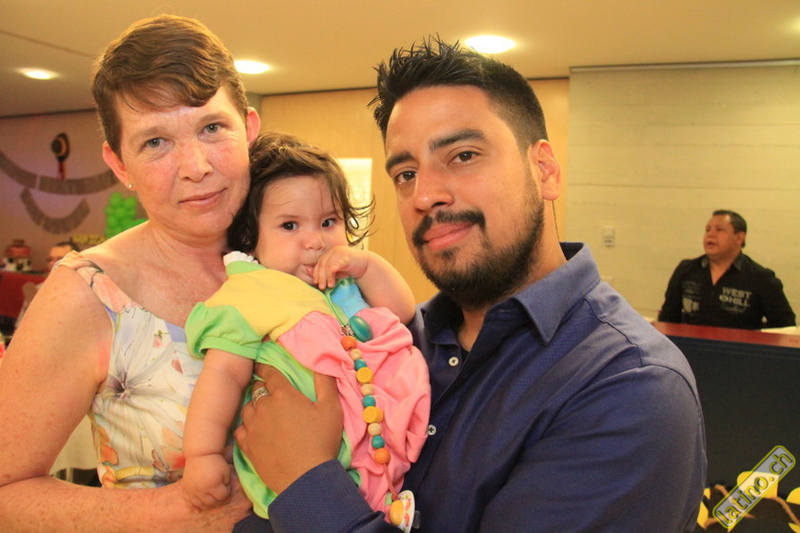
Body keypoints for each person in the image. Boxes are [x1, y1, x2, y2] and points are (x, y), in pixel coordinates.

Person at [234, 38, 707, 533]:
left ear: (544, 170)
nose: (425, 195)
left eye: (462, 155)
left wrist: (305, 481)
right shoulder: (401, 338)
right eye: (406, 173)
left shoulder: (630, 388)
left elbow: (300, 480)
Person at [0, 14, 260, 532]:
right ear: (119, 164)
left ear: (249, 129)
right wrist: (174, 513)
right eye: (155, 142)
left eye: (212, 128)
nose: (195, 166)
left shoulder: (293, 250)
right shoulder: (89, 292)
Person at [182, 133, 429, 530]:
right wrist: (203, 454)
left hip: (376, 451)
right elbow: (223, 374)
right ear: (250, 237)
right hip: (293, 464)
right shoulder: (251, 293)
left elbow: (400, 311)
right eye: (290, 225)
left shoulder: (344, 282)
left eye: (329, 222)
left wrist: (366, 265)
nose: (315, 241)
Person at [658, 209, 796, 329]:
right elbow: (668, 318)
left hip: (739, 349)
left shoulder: (761, 278)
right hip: (692, 347)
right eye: (707, 230)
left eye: (719, 229)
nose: (710, 234)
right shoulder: (686, 270)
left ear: (739, 238)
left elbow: (785, 327)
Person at [14, 240, 80, 329]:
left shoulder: (87, 292)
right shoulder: (38, 290)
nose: (52, 263)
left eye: (60, 259)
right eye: (50, 260)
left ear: (76, 261)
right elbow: (20, 327)